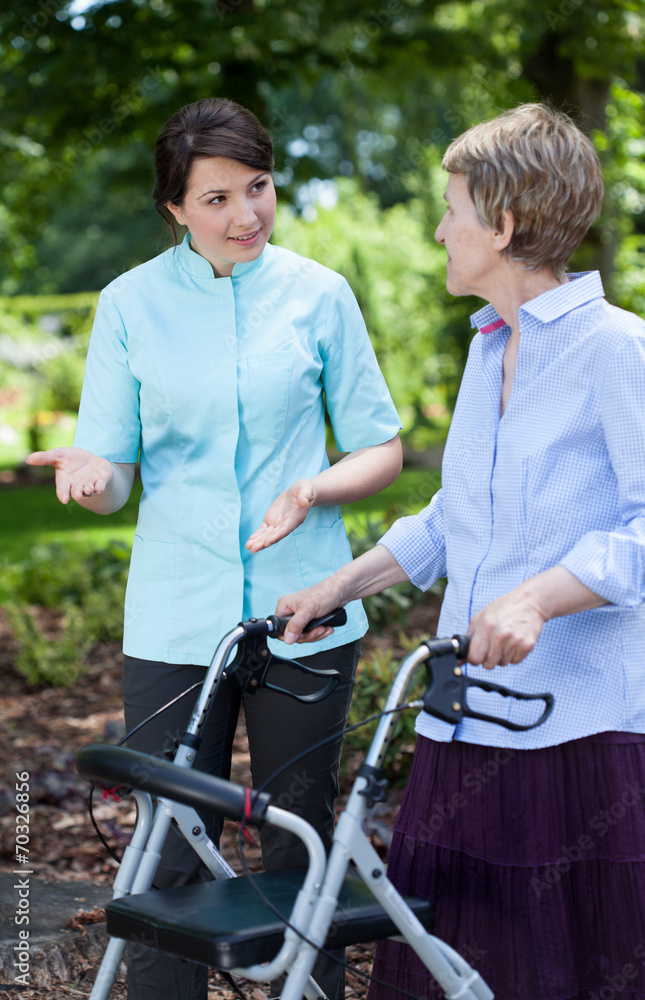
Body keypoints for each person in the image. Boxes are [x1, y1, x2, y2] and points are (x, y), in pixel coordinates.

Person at [27, 97, 402, 1000]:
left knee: (299, 835)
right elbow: (114, 473)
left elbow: (380, 449)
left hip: (304, 607)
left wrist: (312, 488)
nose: (245, 215)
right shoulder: (129, 303)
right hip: (175, 614)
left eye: (258, 187)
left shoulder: (319, 294)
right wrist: (92, 476)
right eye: (216, 199)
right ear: (175, 208)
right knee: (167, 844)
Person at [276, 103, 645, 1000]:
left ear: (503, 225)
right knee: (457, 963)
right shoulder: (487, 349)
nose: (440, 231)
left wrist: (537, 598)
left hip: (578, 730)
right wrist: (338, 585)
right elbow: (454, 518)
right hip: (464, 718)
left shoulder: (617, 349)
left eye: (450, 211)